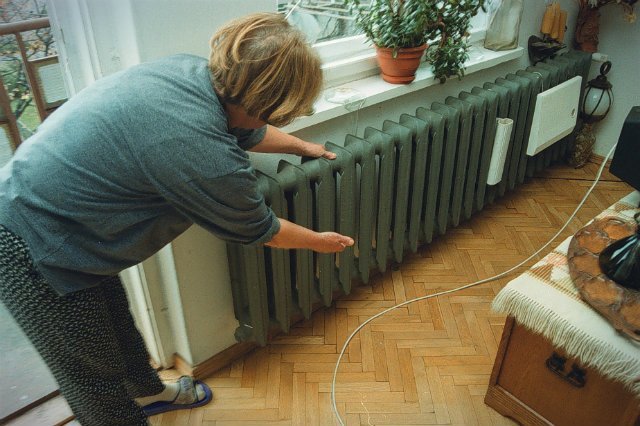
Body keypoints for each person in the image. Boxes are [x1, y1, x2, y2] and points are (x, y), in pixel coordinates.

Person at [0, 12, 353, 425]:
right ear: (264, 101)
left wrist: (299, 146)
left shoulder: (190, 73)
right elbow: (261, 228)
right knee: (92, 378)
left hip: (67, 223)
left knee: (115, 321)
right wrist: (321, 241)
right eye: (276, 112)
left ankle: (149, 394)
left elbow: (246, 129)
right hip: (26, 240)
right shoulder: (197, 145)